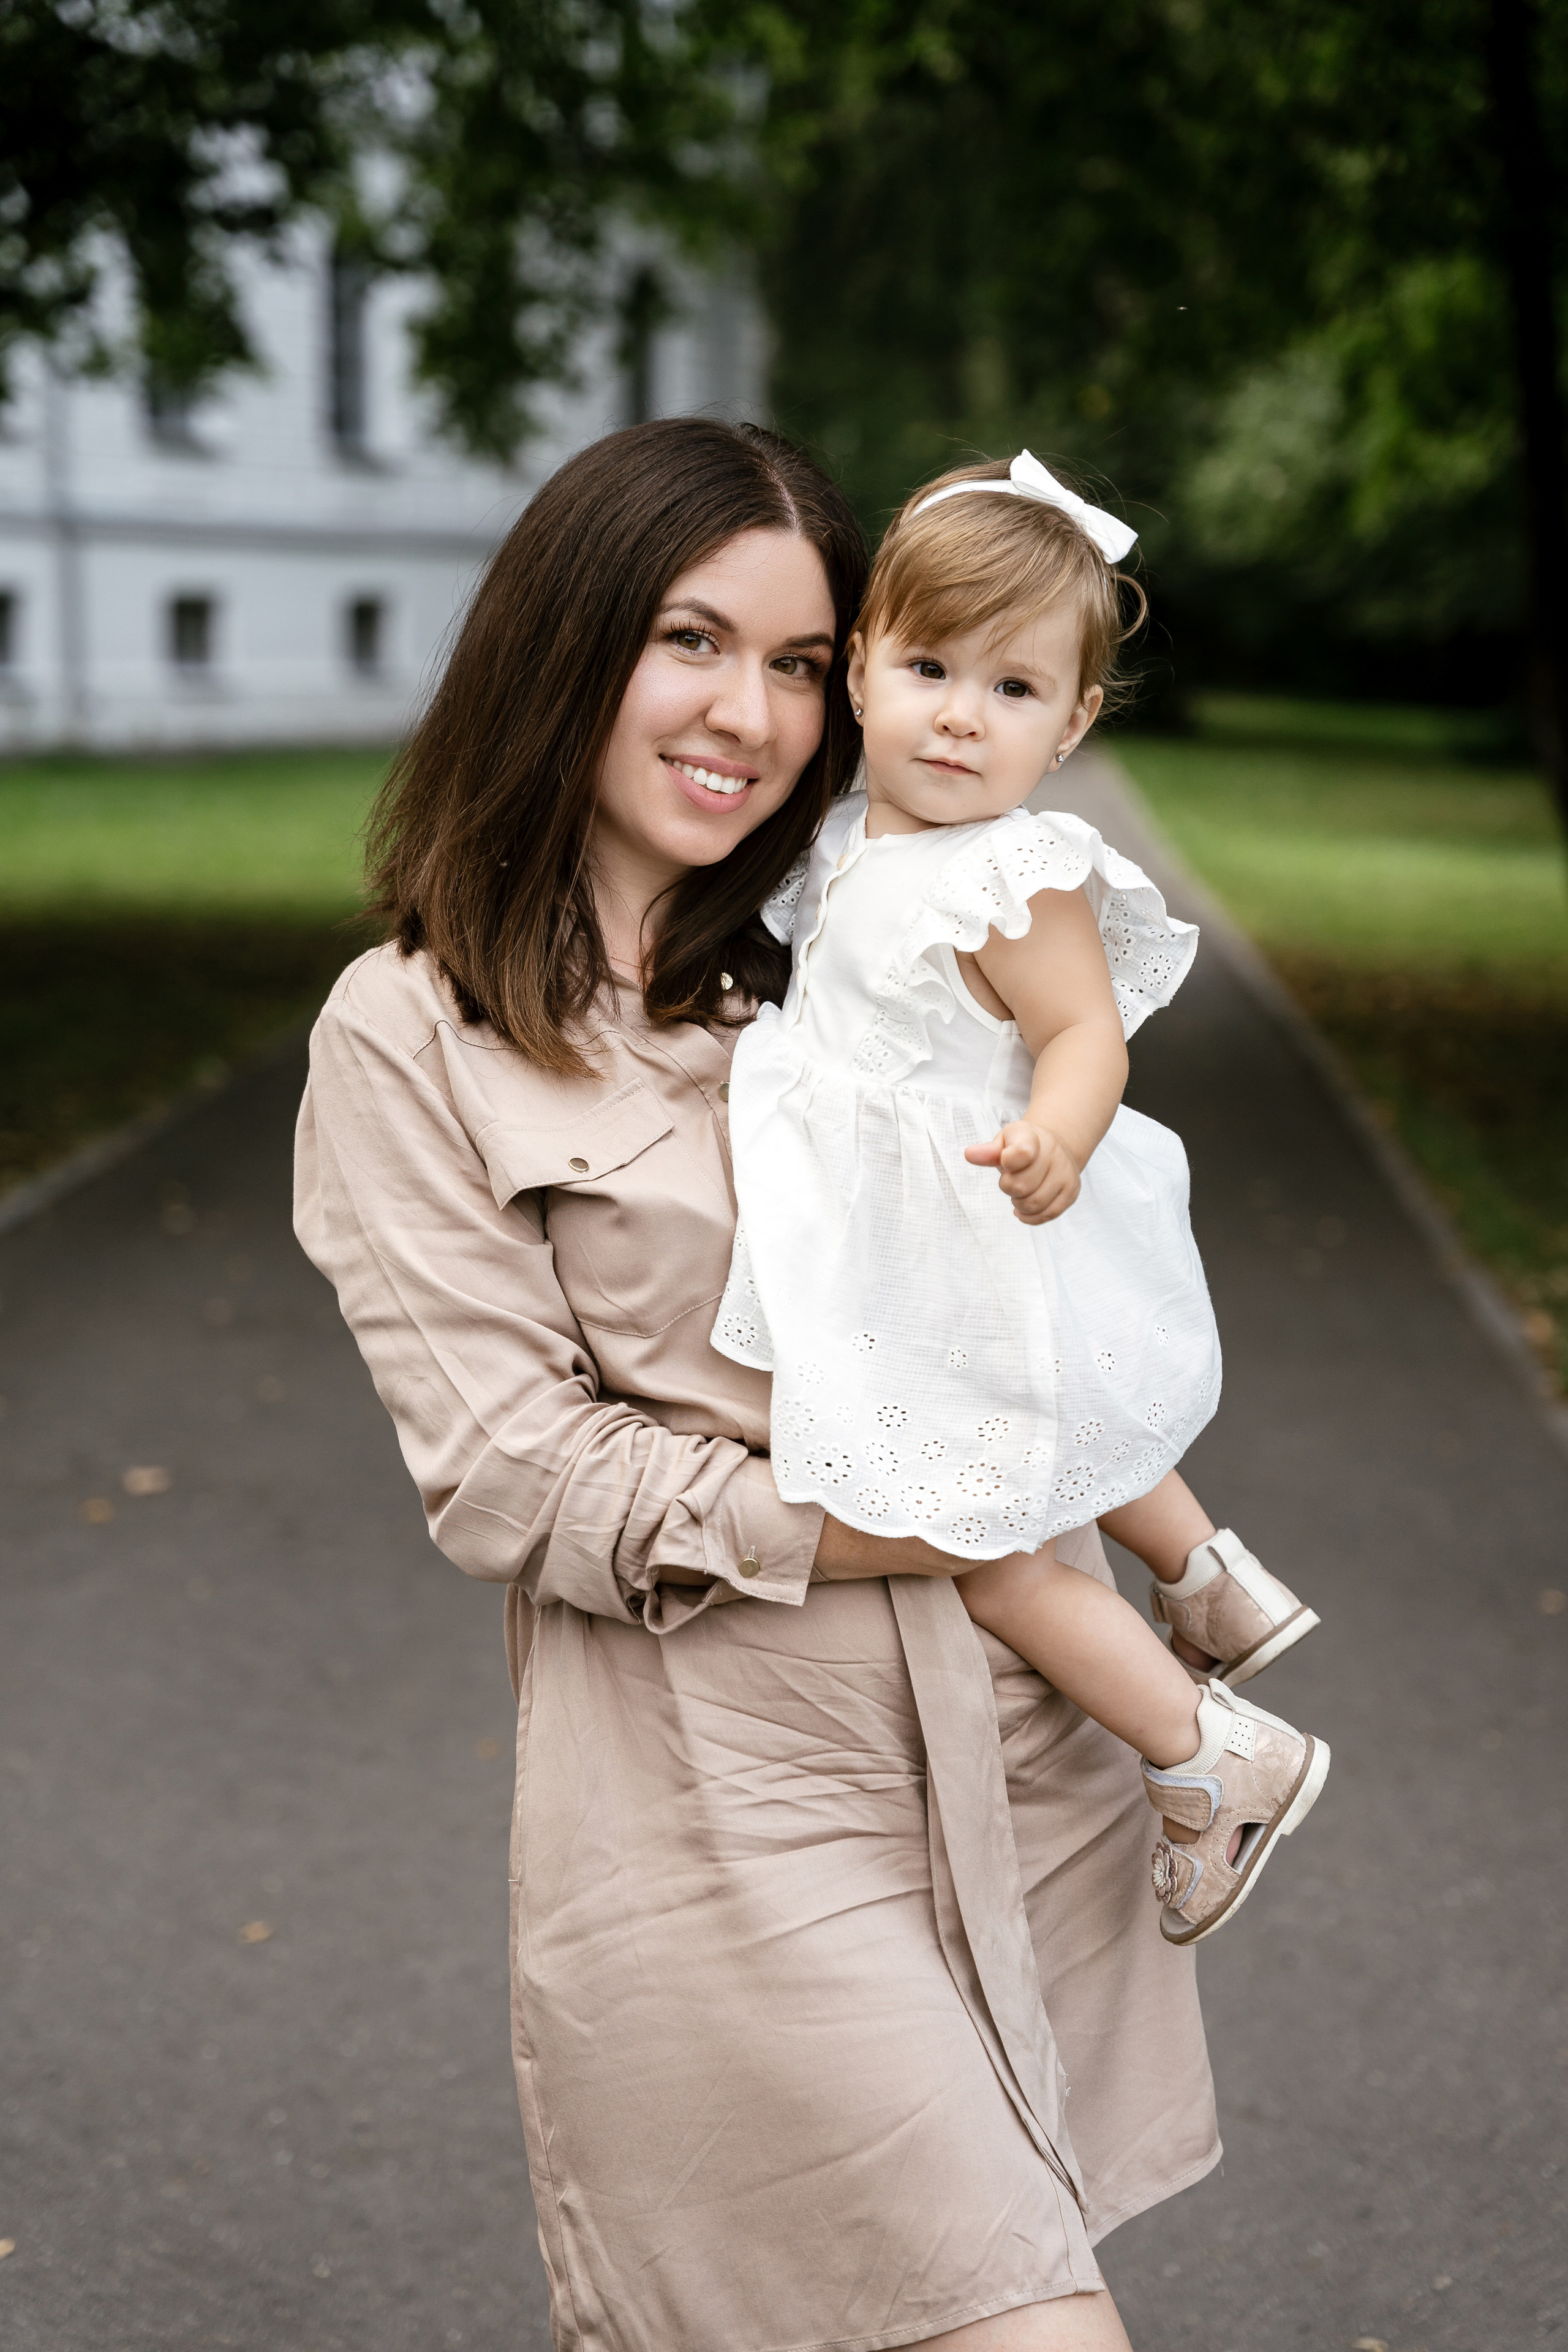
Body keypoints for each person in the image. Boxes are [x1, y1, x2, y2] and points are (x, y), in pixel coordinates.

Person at [295, 418, 1221, 2352]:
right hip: (725, 1828)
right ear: (569, 646)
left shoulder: (838, 940)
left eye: (802, 665)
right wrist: (923, 1518)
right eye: (692, 640)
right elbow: (517, 1483)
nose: (756, 714)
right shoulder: (412, 1030)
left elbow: (1045, 1252)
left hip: (1000, 1770)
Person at [714, 451, 1329, 1945]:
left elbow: (1080, 1036)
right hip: (899, 1219)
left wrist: (1055, 1137)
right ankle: (1209, 1584)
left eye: (1009, 689)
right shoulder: (855, 835)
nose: (958, 715)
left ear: (1070, 726)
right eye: (926, 666)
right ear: (857, 667)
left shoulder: (1018, 872)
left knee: (981, 1542)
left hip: (975, 1211)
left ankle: (1211, 1755)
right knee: (1061, 1413)